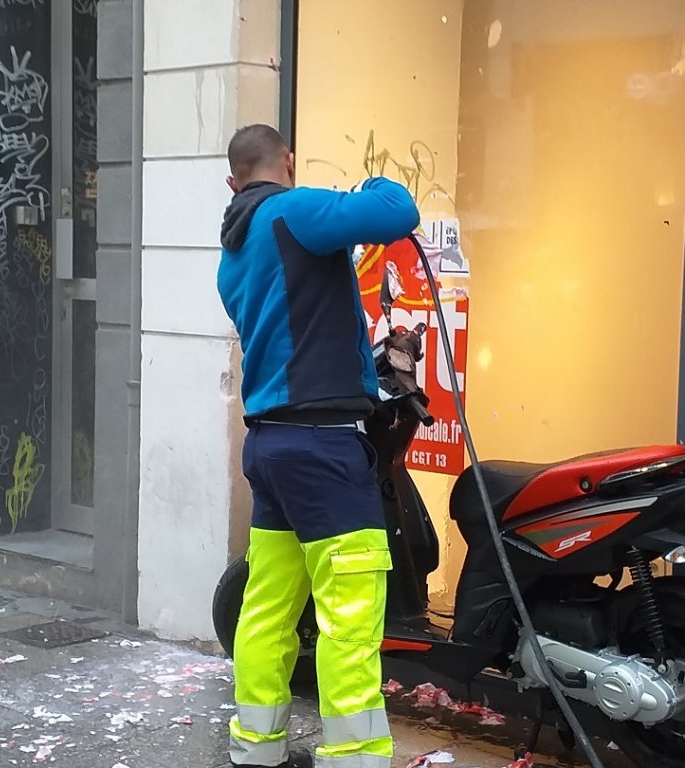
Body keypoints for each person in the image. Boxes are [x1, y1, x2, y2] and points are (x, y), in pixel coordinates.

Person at [217, 123, 420, 768]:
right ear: (288, 163)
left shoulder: (233, 251)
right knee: (350, 614)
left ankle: (256, 746)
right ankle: (355, 756)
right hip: (325, 450)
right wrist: (370, 180)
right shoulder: (293, 210)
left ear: (232, 181)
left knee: (269, 608)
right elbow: (396, 210)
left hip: (271, 447)